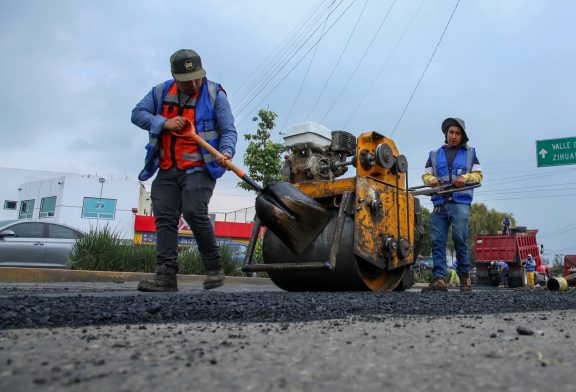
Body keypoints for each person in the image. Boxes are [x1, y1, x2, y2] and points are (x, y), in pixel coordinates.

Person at [131, 49, 238, 292]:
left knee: (193, 211)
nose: (193, 84)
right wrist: (164, 123)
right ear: (174, 77)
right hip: (168, 167)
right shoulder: (160, 92)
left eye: (197, 77)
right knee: (165, 219)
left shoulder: (214, 94)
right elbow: (137, 114)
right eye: (186, 80)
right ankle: (166, 276)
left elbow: (229, 130)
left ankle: (214, 268)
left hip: (201, 167)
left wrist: (227, 152)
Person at [421, 117, 483, 293]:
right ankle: (439, 279)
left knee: (459, 239)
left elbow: (479, 176)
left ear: (462, 136)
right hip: (440, 203)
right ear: (446, 134)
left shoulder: (471, 154)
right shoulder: (434, 155)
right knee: (438, 241)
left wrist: (466, 177)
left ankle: (464, 277)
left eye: (457, 133)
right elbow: (425, 176)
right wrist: (431, 180)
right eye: (451, 132)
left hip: (460, 203)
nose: (453, 136)